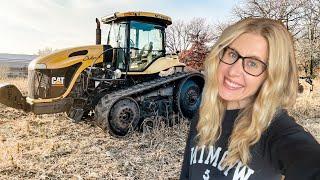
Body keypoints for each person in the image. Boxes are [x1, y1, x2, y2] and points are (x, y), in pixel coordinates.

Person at [179, 18, 320, 180]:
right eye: (232, 54)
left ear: (271, 76)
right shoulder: (204, 116)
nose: (233, 71)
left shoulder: (275, 129)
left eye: (253, 63)